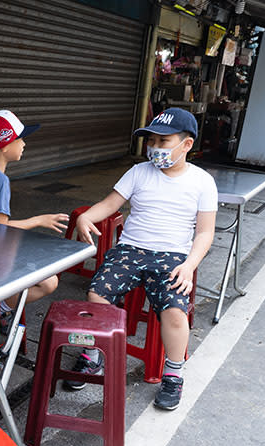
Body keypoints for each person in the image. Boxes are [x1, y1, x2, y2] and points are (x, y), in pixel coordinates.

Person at [69, 108, 217, 410]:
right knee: (97, 293)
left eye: (164, 141)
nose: (155, 148)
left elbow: (204, 233)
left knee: (174, 310)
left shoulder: (202, 182)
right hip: (131, 249)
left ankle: (173, 374)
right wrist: (86, 217)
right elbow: (110, 204)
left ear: (186, 144)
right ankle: (92, 355)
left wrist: (189, 265)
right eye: (151, 141)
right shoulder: (138, 172)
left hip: (173, 256)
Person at [0, 110, 69, 324]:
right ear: (5, 146)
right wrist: (39, 220)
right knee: (50, 283)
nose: (24, 144)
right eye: (20, 139)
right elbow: (0, 228)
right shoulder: (0, 181)